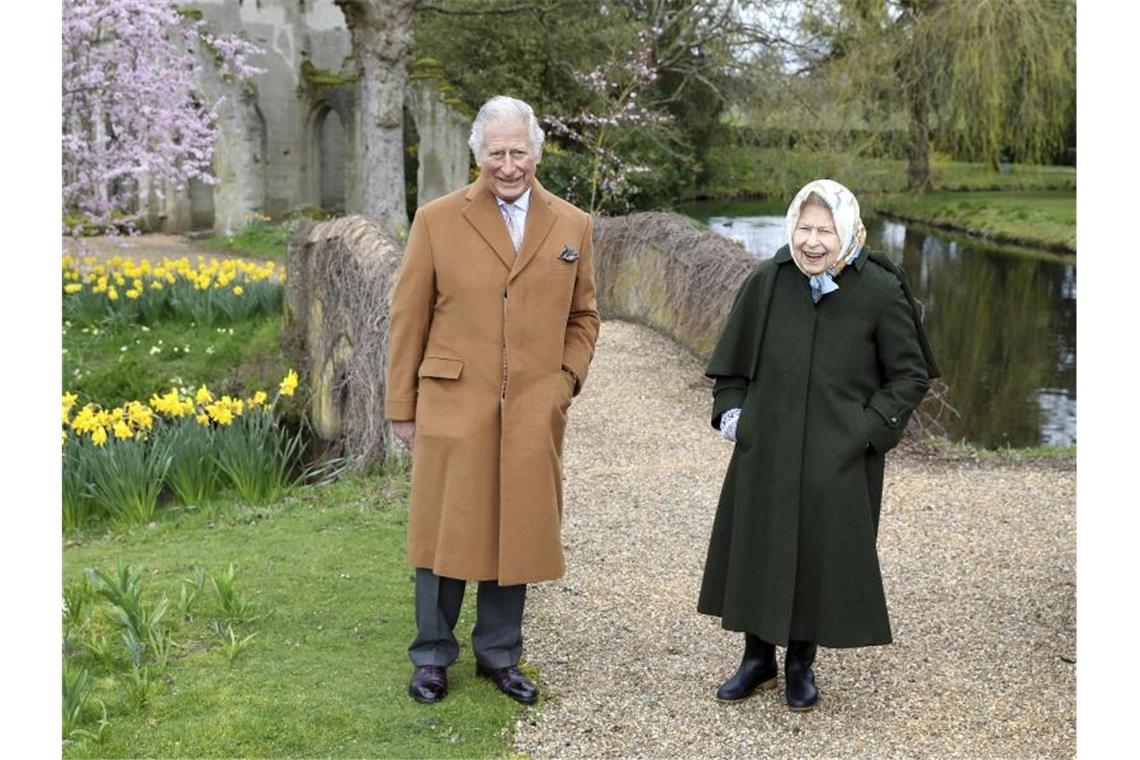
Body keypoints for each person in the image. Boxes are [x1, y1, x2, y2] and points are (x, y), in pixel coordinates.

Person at [385, 95, 600, 705]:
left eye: (520, 152)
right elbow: (408, 317)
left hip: (534, 406)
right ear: (478, 155)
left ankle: (499, 657)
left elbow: (585, 316)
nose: (509, 165)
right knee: (443, 534)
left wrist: (564, 382)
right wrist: (403, 407)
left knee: (518, 529)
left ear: (537, 152)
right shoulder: (436, 219)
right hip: (453, 402)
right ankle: (431, 657)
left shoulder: (572, 224)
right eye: (497, 153)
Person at [697, 178, 939, 711]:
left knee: (817, 554)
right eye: (804, 228)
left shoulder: (879, 288)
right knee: (759, 547)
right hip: (767, 452)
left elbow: (910, 375)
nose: (812, 241)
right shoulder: (767, 280)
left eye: (824, 230)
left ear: (847, 230)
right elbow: (730, 370)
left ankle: (801, 664)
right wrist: (736, 419)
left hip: (839, 458)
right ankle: (757, 660)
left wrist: (866, 431)